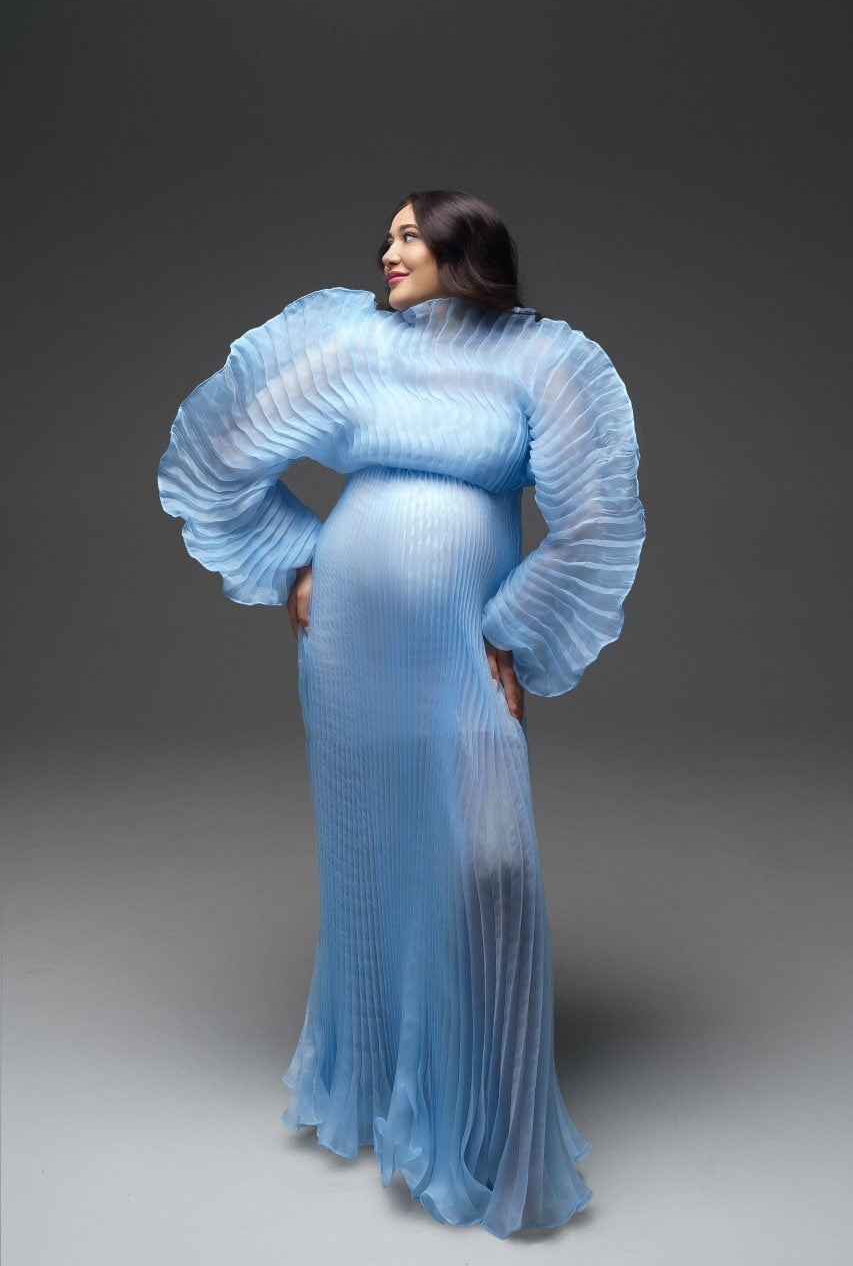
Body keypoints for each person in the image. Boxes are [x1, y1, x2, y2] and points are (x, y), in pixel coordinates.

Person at [156, 189, 646, 1238]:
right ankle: (387, 1095)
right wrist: (293, 557)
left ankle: (491, 1133)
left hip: (457, 645)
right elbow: (219, 444)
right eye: (385, 237)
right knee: (369, 857)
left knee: (488, 860)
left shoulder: (544, 360)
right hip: (349, 645)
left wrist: (516, 630)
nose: (387, 251)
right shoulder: (352, 344)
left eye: (409, 235)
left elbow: (596, 515)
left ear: (463, 248)